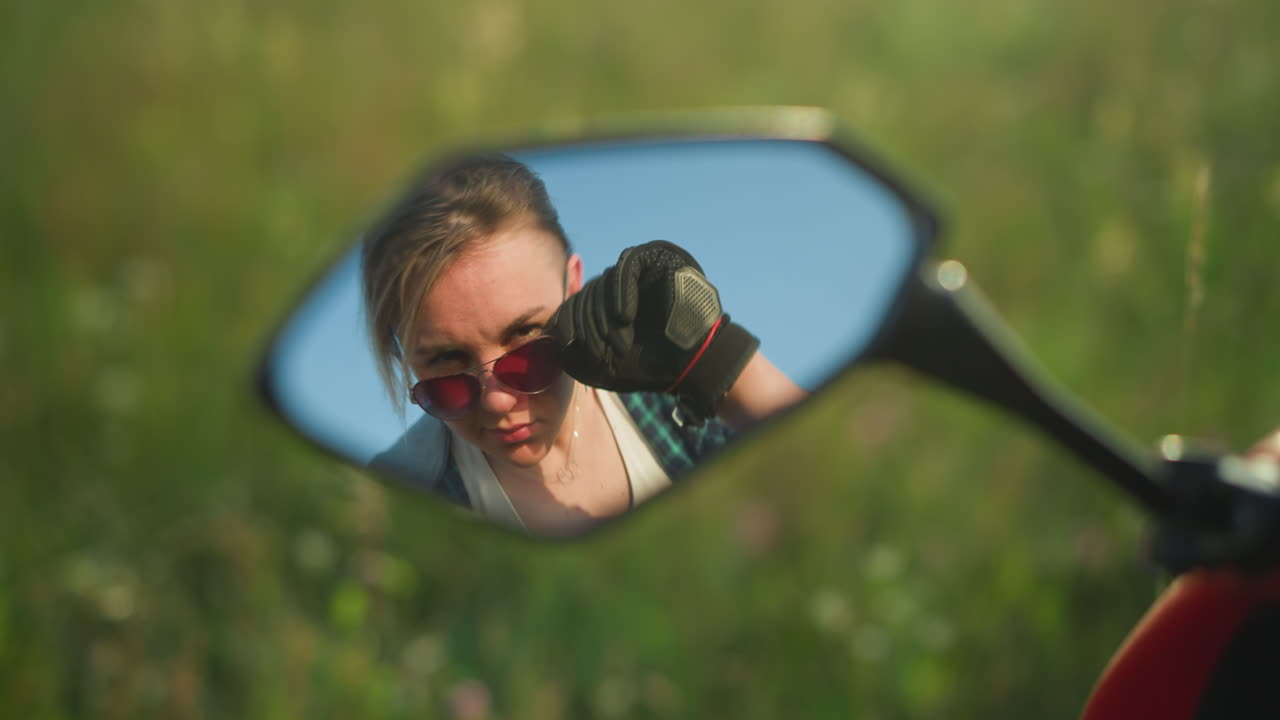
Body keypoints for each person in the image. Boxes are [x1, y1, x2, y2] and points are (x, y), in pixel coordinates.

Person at [361, 154, 805, 537]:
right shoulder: (404, 500)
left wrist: (717, 358)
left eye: (528, 343)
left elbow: (816, 471)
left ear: (573, 285)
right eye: (446, 371)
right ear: (404, 358)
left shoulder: (667, 395)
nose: (498, 401)